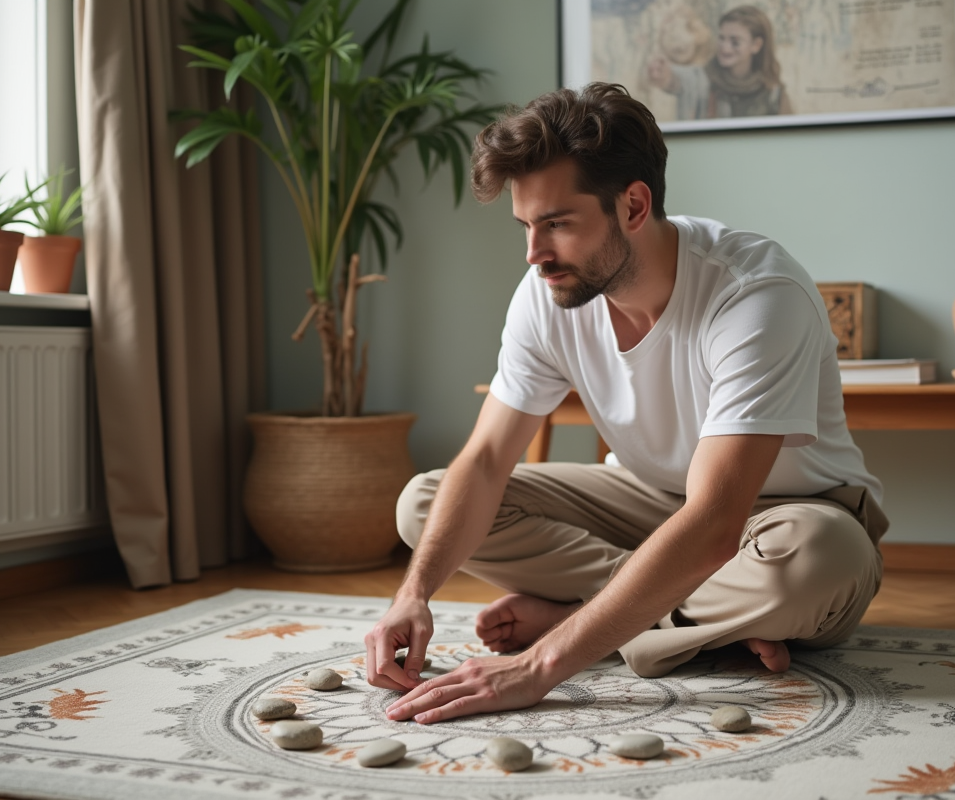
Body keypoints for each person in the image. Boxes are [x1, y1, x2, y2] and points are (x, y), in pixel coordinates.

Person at [365, 82, 886, 725]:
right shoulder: (548, 291)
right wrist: (413, 593)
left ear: (634, 205)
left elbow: (715, 520)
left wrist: (540, 663)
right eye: (526, 226)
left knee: (816, 562)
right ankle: (687, 621)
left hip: (785, 515)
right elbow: (486, 460)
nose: (534, 255)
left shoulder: (756, 295)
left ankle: (585, 619)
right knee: (425, 503)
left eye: (557, 224)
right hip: (647, 500)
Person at [648, 4, 793, 118]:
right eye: (722, 38)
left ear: (756, 45)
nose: (725, 48)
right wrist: (664, 74)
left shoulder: (774, 94)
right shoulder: (703, 79)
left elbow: (788, 136)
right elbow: (680, 80)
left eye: (735, 42)